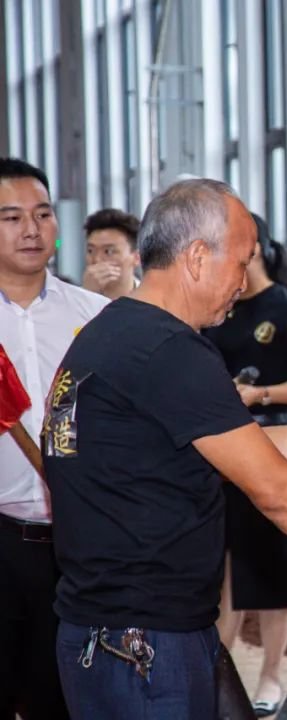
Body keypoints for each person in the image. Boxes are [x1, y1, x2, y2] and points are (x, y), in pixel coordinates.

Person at [41, 179, 287, 720]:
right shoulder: (169, 350)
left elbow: (238, 448)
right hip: (143, 645)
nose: (244, 280)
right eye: (242, 262)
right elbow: (278, 491)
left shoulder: (114, 332)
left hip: (107, 633)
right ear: (198, 257)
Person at [202, 212, 287, 716]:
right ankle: (219, 669)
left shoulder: (285, 304)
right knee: (220, 568)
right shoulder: (214, 303)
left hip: (271, 439)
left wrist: (261, 394)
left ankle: (272, 674)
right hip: (213, 445)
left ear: (252, 248)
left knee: (272, 565)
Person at [0, 158, 109, 720]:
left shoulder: (97, 317)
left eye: (42, 214)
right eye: (12, 217)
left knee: (62, 692)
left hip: (75, 540)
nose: (31, 229)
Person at [81, 208, 141, 300]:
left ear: (137, 258)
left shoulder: (152, 301)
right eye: (90, 251)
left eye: (108, 251)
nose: (97, 259)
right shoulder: (74, 301)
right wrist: (86, 295)